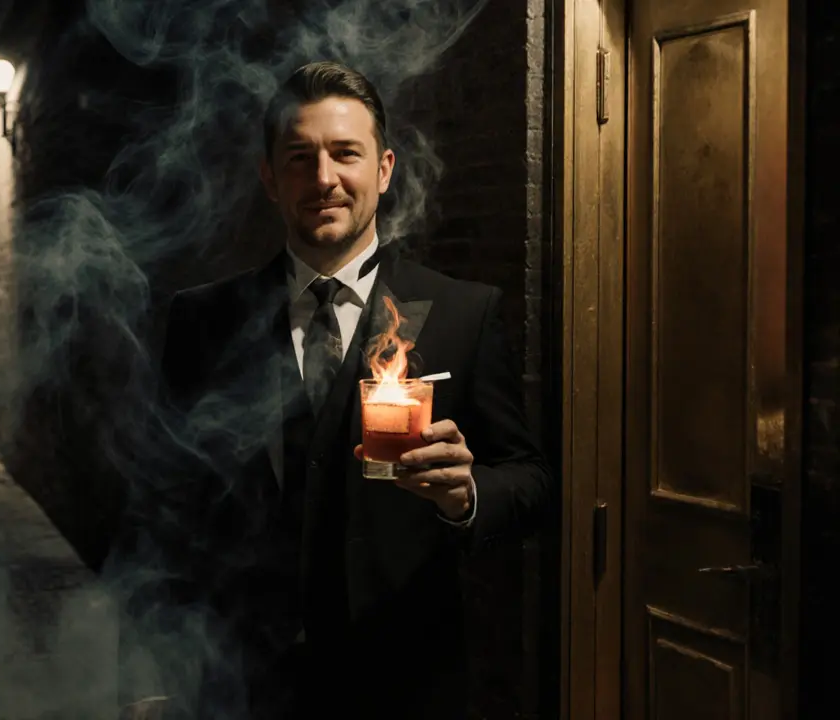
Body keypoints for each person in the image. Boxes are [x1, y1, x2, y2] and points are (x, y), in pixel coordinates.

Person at [113, 60, 554, 720]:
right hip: (242, 686)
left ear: (383, 169)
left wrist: (467, 495)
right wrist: (158, 665)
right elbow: (165, 500)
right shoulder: (203, 321)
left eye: (345, 153)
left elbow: (532, 482)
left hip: (405, 683)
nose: (324, 179)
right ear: (269, 177)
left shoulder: (463, 312)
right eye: (299, 157)